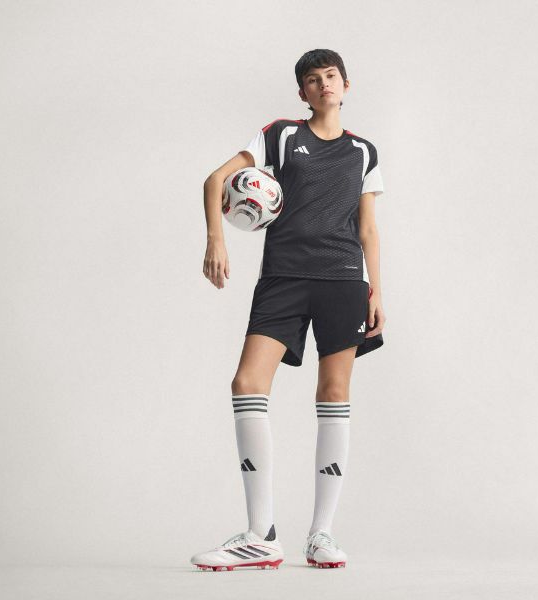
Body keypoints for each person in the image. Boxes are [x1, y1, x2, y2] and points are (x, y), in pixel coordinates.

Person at [191, 49, 386, 571]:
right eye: (312, 80)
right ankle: (262, 534)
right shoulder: (279, 135)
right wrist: (216, 238)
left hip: (343, 281)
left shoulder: (364, 151)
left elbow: (368, 228)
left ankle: (321, 534)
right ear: (303, 93)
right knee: (247, 383)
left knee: (334, 393)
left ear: (346, 84)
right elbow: (215, 180)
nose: (323, 84)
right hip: (283, 278)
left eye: (331, 76)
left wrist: (377, 291)